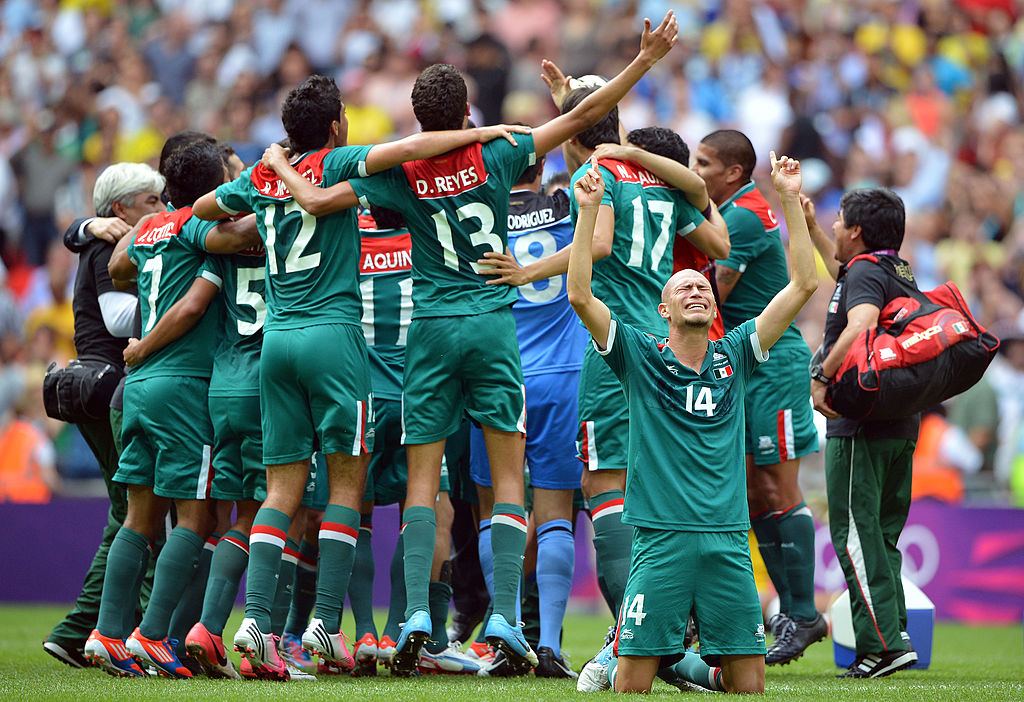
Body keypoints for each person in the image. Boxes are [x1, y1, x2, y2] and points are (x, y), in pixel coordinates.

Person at [258, 11, 679, 676]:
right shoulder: (501, 151)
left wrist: (280, 163)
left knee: (425, 482)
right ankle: (508, 617)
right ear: (467, 109)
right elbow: (582, 121)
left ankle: (419, 615)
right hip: (491, 324)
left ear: (419, 117)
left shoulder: (394, 173)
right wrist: (644, 62)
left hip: (429, 328)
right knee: (510, 478)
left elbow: (313, 201)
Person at [192, 73, 532, 677]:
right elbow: (406, 150)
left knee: (282, 493)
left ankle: (257, 624)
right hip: (345, 343)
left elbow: (201, 212)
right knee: (359, 493)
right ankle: (334, 625)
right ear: (333, 126)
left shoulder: (263, 175)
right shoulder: (346, 164)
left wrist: (241, 214)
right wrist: (482, 131)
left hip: (277, 341)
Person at [569, 150, 816, 694]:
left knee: (749, 683)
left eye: (701, 286)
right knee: (632, 682)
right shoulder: (639, 355)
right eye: (682, 288)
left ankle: (694, 667)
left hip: (728, 542)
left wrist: (790, 201)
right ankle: (665, 662)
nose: (697, 289)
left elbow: (801, 286)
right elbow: (581, 296)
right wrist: (588, 211)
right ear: (663, 311)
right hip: (661, 542)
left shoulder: (737, 353)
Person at [478, 113, 727, 633]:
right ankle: (691, 618)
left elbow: (599, 243)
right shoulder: (663, 183)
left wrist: (526, 272)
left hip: (615, 344)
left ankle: (645, 630)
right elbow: (721, 246)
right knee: (656, 482)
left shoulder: (597, 173)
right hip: (670, 345)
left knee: (602, 485)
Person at [82, 140, 257, 679]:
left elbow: (116, 268)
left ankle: (106, 635)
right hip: (182, 384)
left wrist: (102, 229)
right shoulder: (195, 230)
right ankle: (151, 637)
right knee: (199, 517)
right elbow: (194, 300)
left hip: (138, 391)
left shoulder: (151, 229)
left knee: (140, 516)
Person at [691, 129, 824, 663]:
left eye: (703, 162)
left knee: (777, 485)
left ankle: (803, 612)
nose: (695, 169)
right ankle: (788, 611)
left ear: (733, 172)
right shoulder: (734, 209)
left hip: (774, 363)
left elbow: (714, 293)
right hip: (748, 362)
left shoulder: (742, 215)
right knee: (752, 489)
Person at [467, 149, 588, 678]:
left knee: (499, 508)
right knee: (557, 512)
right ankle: (553, 646)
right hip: (564, 374)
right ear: (541, 169)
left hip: (498, 375)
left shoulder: (477, 215)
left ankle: (506, 635)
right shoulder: (570, 206)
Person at [43, 162, 165, 670]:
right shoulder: (105, 245)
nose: (159, 210)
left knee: (125, 510)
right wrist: (176, 302)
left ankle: (84, 631)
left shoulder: (91, 238)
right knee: (139, 512)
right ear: (119, 209)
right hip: (106, 384)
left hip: (86, 384)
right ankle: (115, 630)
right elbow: (117, 316)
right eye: (150, 201)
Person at [803, 188, 921, 679]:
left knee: (854, 534)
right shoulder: (896, 270)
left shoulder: (865, 273)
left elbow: (862, 319)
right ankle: (898, 636)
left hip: (861, 424)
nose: (832, 225)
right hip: (901, 420)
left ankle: (882, 648)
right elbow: (846, 283)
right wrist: (808, 224)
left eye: (836, 220)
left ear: (856, 231)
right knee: (883, 535)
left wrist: (823, 374)